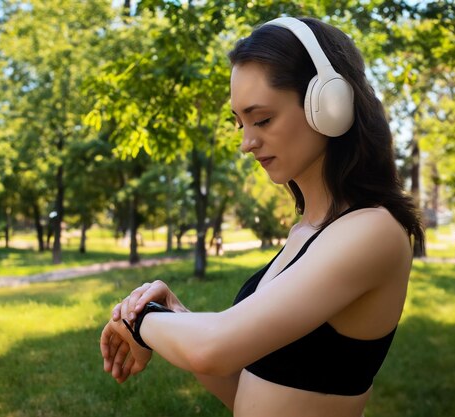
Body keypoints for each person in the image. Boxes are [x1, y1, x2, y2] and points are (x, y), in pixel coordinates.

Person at [100, 16, 424, 417]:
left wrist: (140, 320)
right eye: (240, 123)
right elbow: (247, 391)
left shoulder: (373, 231)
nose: (247, 143)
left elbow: (211, 349)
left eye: (262, 119)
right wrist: (176, 317)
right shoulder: (305, 232)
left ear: (329, 105)